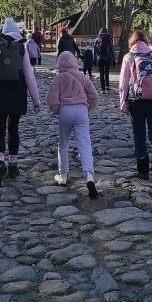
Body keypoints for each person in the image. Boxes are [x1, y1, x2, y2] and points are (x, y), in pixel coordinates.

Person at [0, 17, 40, 188]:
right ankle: (13, 165)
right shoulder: (21, 47)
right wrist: (36, 100)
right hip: (17, 93)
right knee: (13, 129)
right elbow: (29, 76)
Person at [118, 29, 152, 184]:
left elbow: (123, 84)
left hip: (137, 102)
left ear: (132, 42)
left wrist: (124, 103)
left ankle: (143, 170)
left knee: (139, 135)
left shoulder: (129, 57)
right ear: (146, 42)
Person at [47, 51, 100, 197]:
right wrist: (89, 106)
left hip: (65, 110)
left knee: (63, 143)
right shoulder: (82, 77)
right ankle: (89, 175)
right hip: (82, 110)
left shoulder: (58, 78)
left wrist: (58, 110)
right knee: (84, 143)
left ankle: (63, 175)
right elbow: (94, 95)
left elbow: (52, 100)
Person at [93, 27, 115, 93]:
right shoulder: (109, 39)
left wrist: (94, 60)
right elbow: (112, 49)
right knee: (107, 72)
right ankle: (107, 86)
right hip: (108, 58)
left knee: (101, 73)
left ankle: (103, 89)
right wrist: (113, 59)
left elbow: (94, 51)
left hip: (100, 58)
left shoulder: (97, 39)